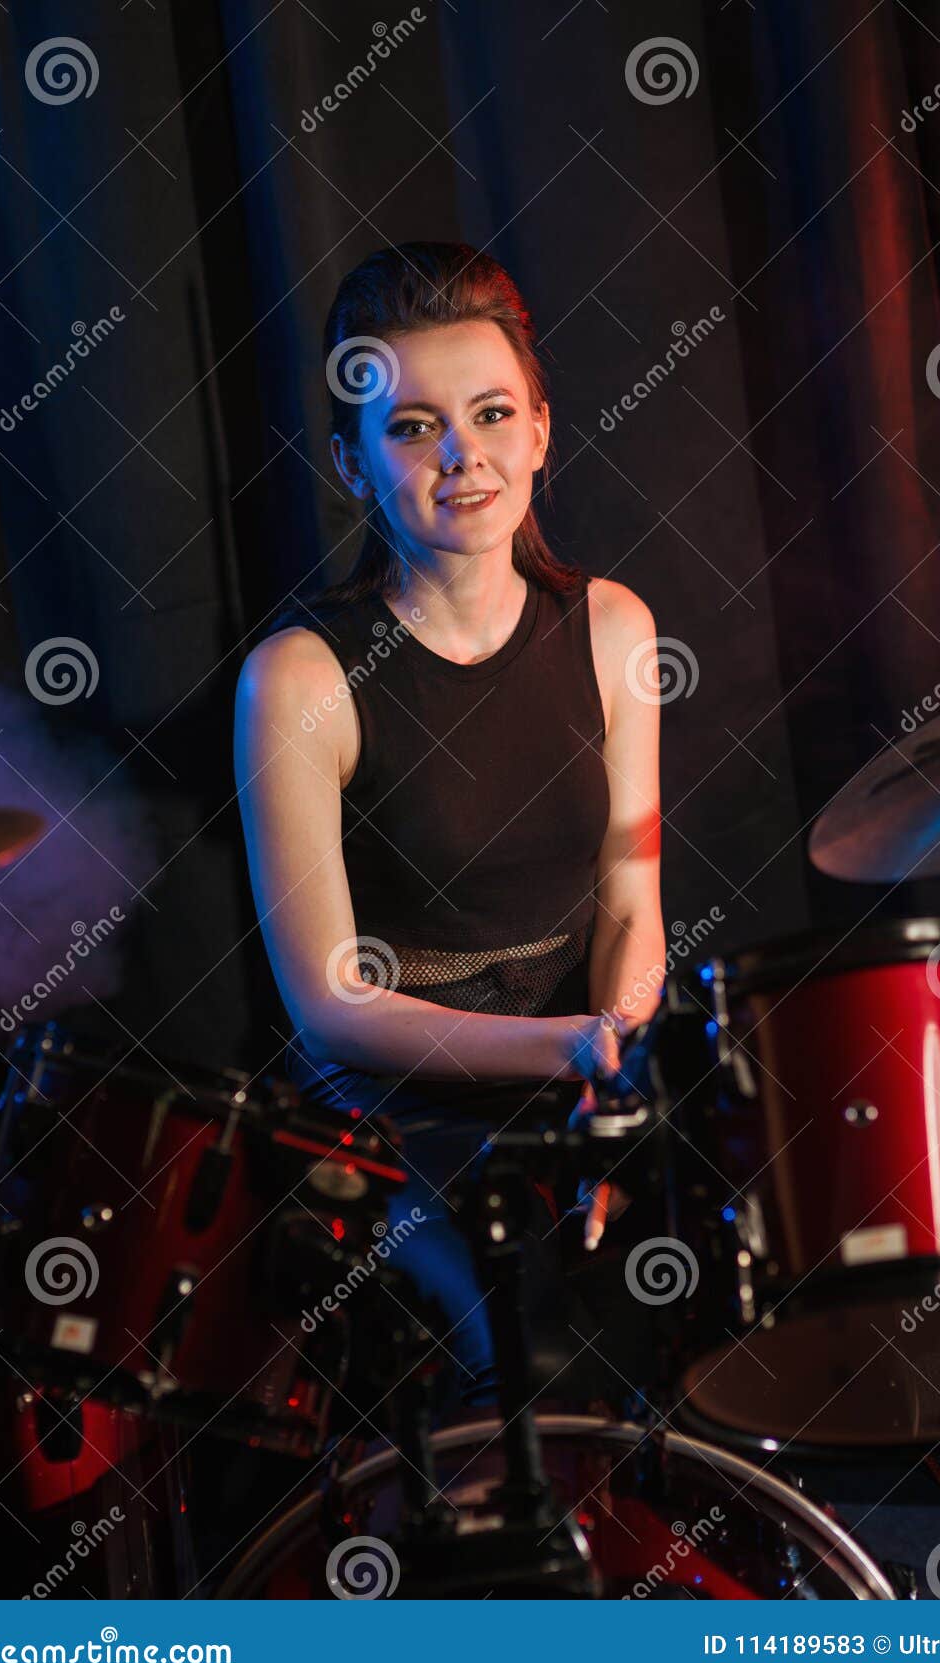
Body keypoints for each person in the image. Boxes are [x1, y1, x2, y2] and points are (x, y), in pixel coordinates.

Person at [234, 240, 664, 1407]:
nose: (462, 454)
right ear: (352, 463)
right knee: (539, 1358)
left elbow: (631, 904)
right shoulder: (298, 678)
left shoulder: (615, 629)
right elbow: (329, 1004)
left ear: (539, 429)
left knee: (763, 1261)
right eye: (414, 426)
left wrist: (607, 1058)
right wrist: (569, 1052)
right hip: (392, 1112)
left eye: (488, 413)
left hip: (581, 1062)